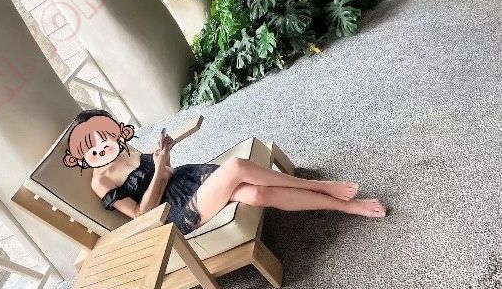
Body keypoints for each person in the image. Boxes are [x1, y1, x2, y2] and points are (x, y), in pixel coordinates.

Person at [63, 109, 387, 236]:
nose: (103, 147)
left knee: (255, 194)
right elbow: (140, 215)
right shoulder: (101, 181)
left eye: (106, 138)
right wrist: (160, 167)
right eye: (93, 147)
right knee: (236, 167)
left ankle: (344, 206)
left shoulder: (127, 150)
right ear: (82, 155)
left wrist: (164, 158)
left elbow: (167, 173)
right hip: (172, 213)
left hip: (187, 180)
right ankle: (319, 185)